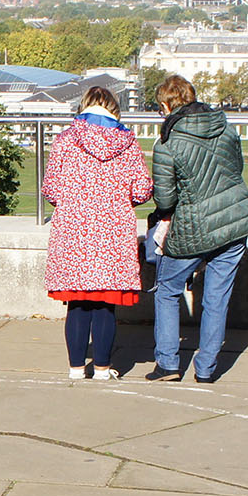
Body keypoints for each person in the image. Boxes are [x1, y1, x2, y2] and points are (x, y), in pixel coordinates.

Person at [146, 75, 248, 384]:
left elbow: (165, 198)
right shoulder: (225, 126)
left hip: (193, 226)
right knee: (216, 298)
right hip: (235, 221)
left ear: (165, 105)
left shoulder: (167, 143)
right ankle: (207, 368)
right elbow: (235, 168)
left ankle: (168, 364)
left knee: (168, 290)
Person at [43, 86, 154, 380]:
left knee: (77, 303)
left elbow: (51, 189)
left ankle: (76, 369)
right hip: (113, 232)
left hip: (73, 230)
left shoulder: (66, 140)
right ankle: (103, 368)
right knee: (106, 305)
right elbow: (143, 190)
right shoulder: (128, 143)